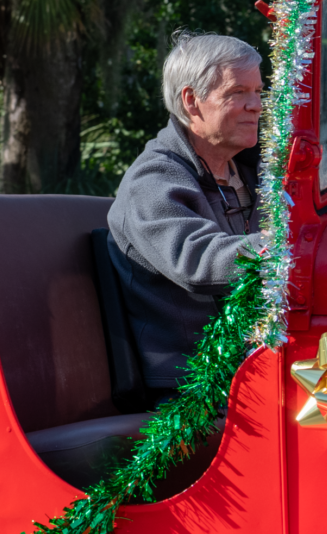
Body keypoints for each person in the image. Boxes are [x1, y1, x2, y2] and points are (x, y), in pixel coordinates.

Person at [107, 31, 265, 391]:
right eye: (237, 93)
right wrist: (289, 250)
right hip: (194, 386)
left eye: (258, 92)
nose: (255, 105)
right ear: (192, 101)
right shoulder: (153, 179)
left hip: (258, 363)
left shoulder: (259, 173)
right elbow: (197, 261)